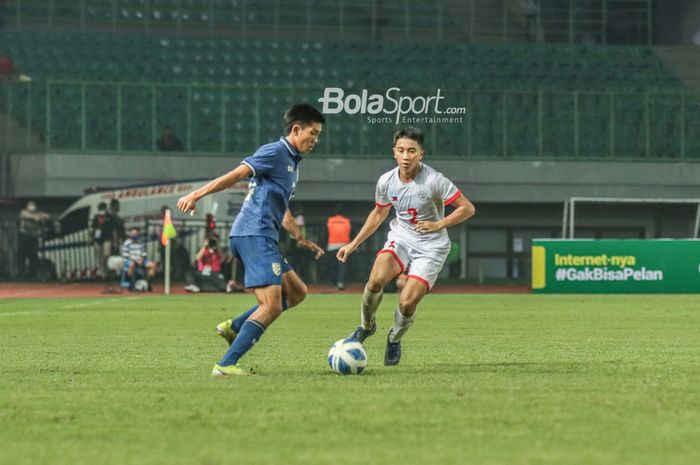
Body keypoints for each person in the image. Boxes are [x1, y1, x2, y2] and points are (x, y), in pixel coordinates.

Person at [176, 103, 326, 377]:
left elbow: (283, 209)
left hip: (261, 235)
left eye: (318, 135)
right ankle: (225, 364)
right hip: (253, 233)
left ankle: (233, 326)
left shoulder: (291, 163)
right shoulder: (275, 151)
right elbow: (235, 175)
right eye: (313, 133)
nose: (316, 140)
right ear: (296, 129)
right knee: (271, 306)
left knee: (296, 292)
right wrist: (196, 195)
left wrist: (300, 238)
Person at [336, 127, 476, 366]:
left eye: (412, 151)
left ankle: (394, 337)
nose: (406, 156)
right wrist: (353, 243)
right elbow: (380, 212)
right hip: (401, 238)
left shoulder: (434, 180)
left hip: (432, 247)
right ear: (394, 153)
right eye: (401, 150)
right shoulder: (386, 181)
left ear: (421, 153)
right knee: (375, 280)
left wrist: (438, 224)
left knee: (406, 302)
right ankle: (366, 327)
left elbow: (467, 208)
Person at [17, 200, 50, 279]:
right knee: (22, 255)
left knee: (33, 255)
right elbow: (27, 216)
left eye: (33, 205)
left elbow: (47, 216)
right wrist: (36, 217)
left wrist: (39, 216)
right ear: (27, 206)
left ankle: (32, 275)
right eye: (30, 205)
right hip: (24, 236)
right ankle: (22, 275)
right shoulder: (23, 212)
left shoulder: (38, 213)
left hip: (33, 237)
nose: (32, 206)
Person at [326, 208, 351, 290]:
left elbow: (325, 233)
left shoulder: (330, 220)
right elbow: (352, 232)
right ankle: (340, 283)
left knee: (333, 266)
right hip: (343, 246)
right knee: (342, 266)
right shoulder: (347, 221)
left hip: (331, 246)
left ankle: (333, 284)